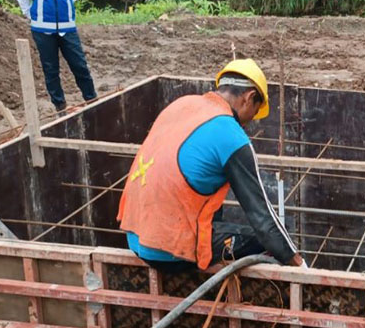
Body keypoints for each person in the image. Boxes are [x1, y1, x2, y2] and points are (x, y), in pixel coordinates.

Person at [118, 59, 304, 272]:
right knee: (272, 240)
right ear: (249, 97)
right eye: (255, 111)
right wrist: (300, 266)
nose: (249, 122)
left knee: (212, 202)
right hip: (169, 253)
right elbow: (262, 217)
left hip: (136, 238)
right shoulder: (231, 134)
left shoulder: (181, 105)